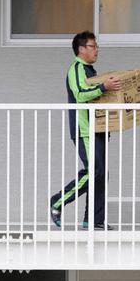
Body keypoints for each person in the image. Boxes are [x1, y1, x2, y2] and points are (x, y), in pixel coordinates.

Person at [50, 31, 122, 230]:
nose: (97, 50)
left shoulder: (90, 70)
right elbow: (80, 94)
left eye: (97, 46)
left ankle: (94, 219)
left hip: (97, 130)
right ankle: (57, 201)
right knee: (94, 172)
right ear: (81, 49)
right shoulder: (76, 68)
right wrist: (104, 87)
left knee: (100, 174)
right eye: (93, 46)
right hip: (84, 130)